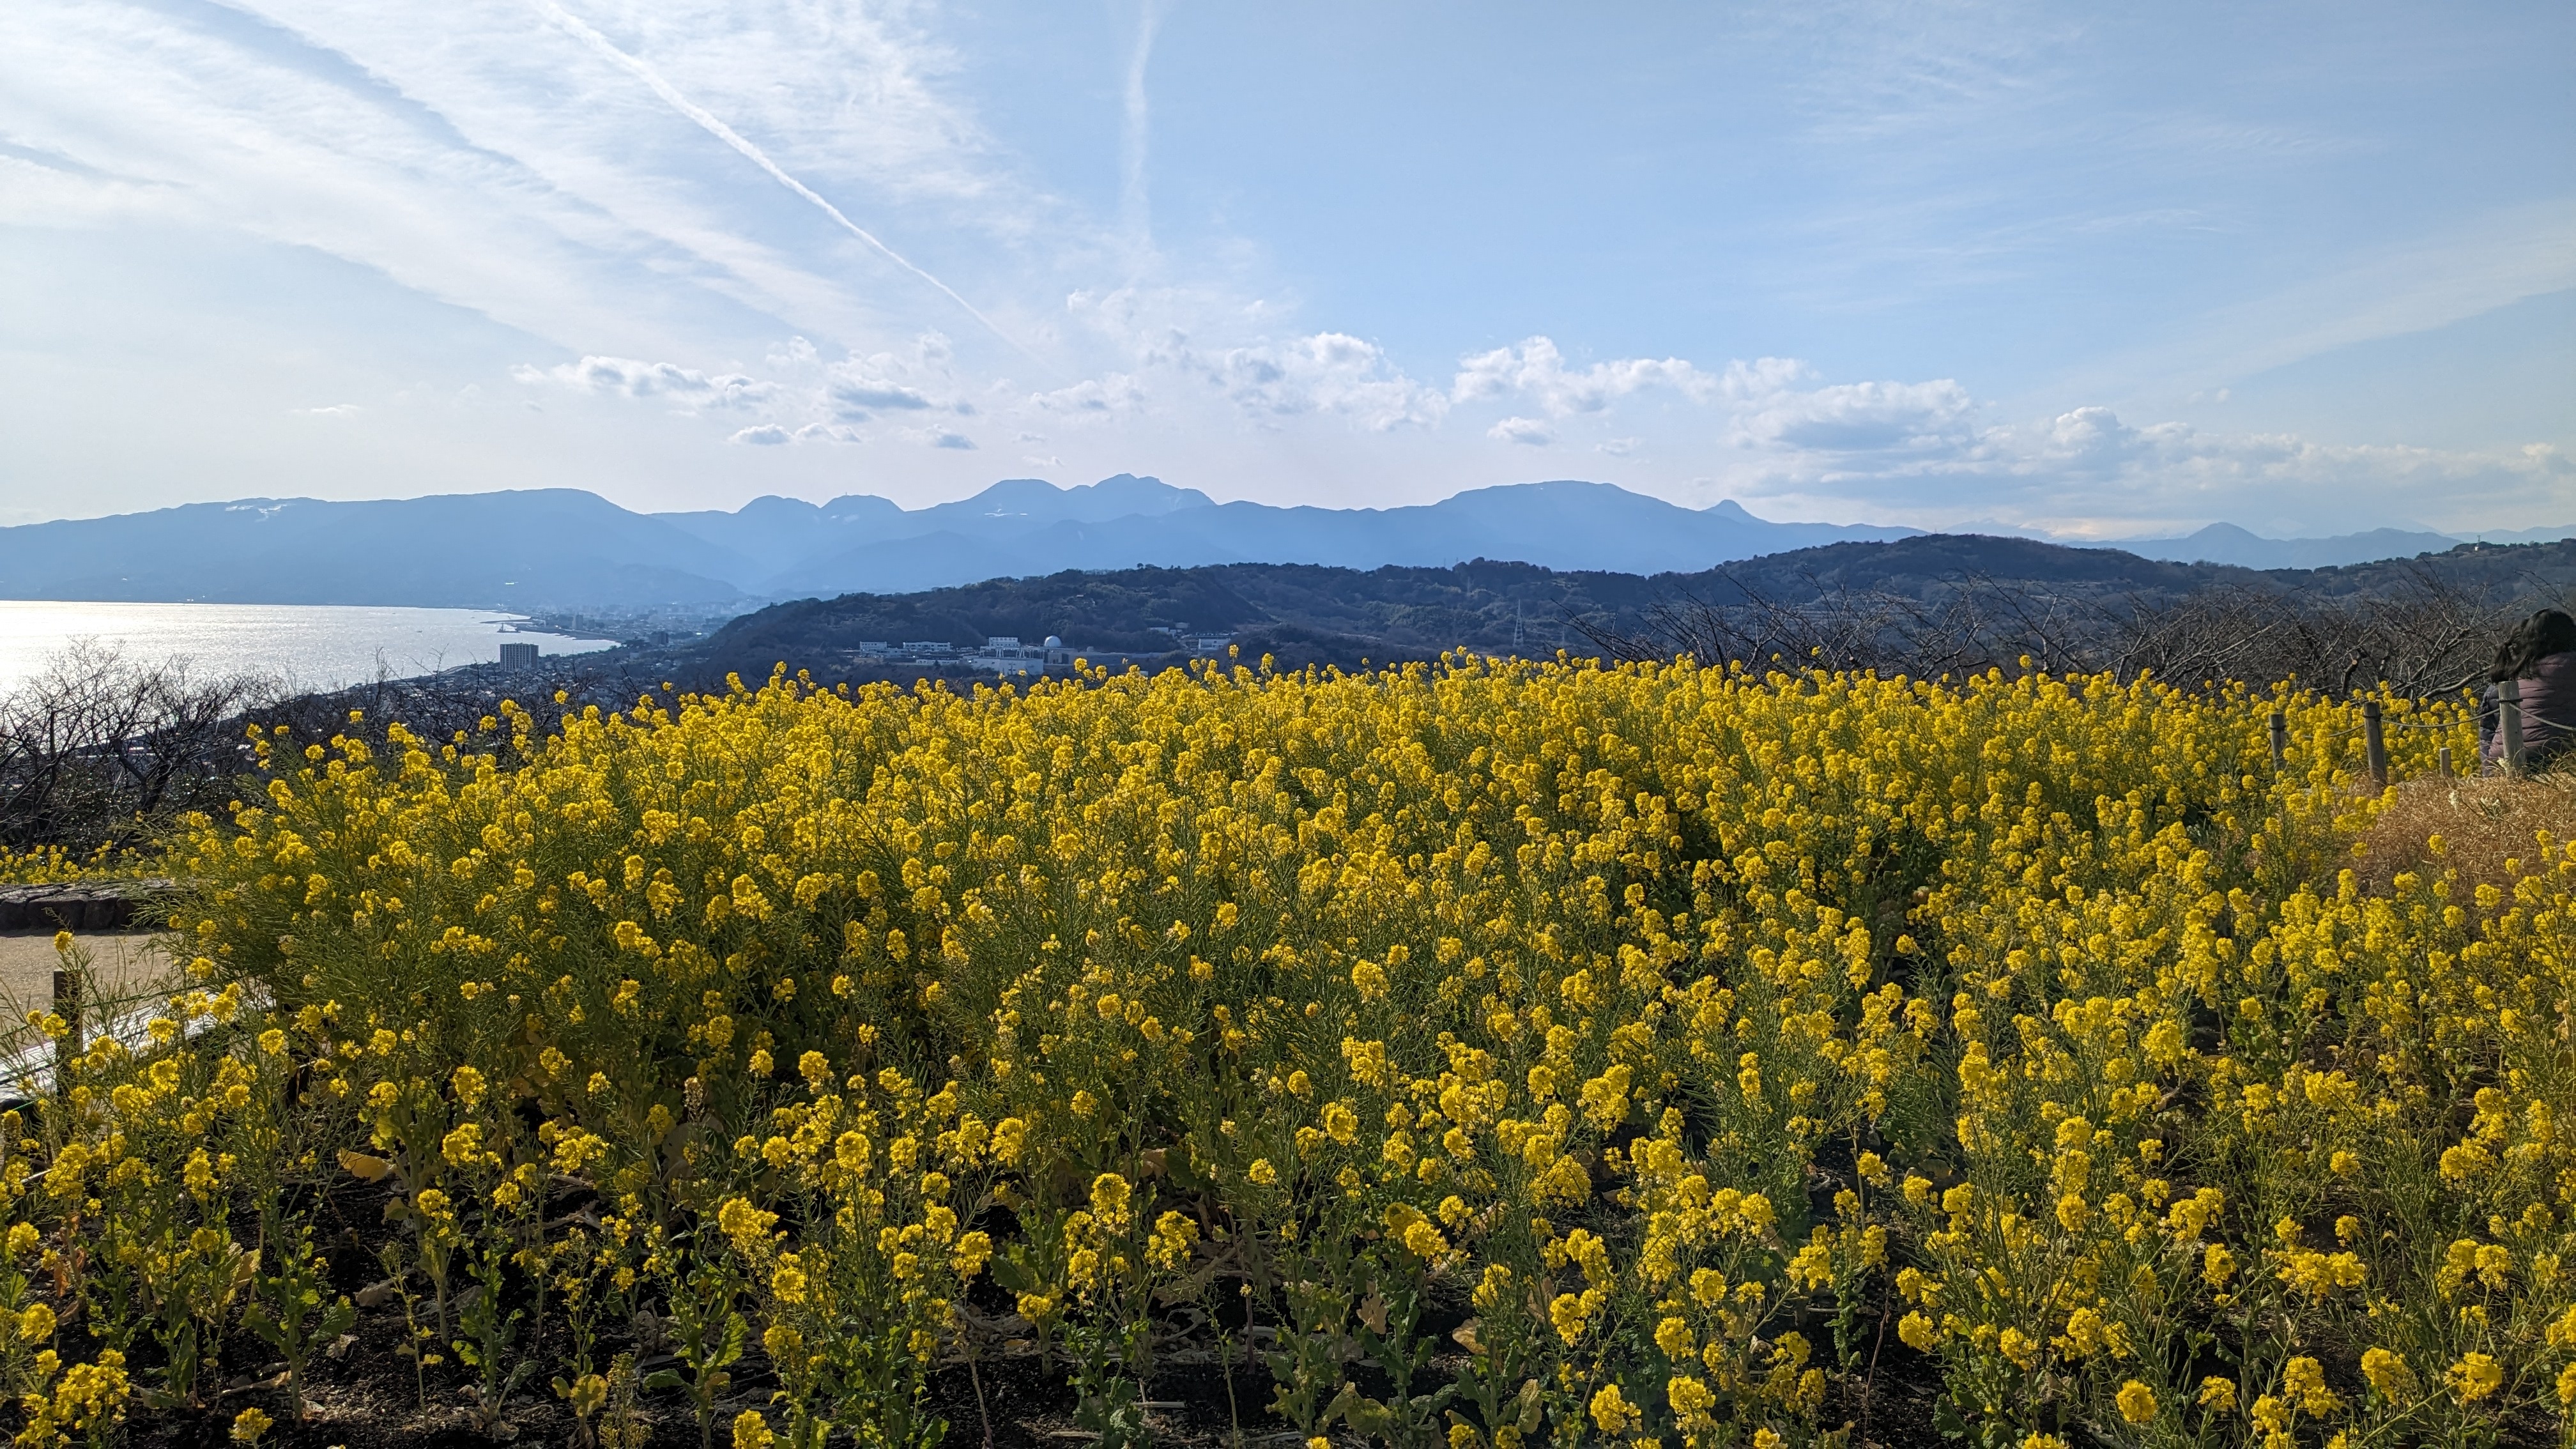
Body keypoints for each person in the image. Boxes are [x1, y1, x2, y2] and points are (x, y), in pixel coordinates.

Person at [2480, 607, 2576, 772]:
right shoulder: (2571, 665)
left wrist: (2489, 775)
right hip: (2556, 762)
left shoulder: (2513, 672)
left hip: (2503, 766)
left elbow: (2487, 733)